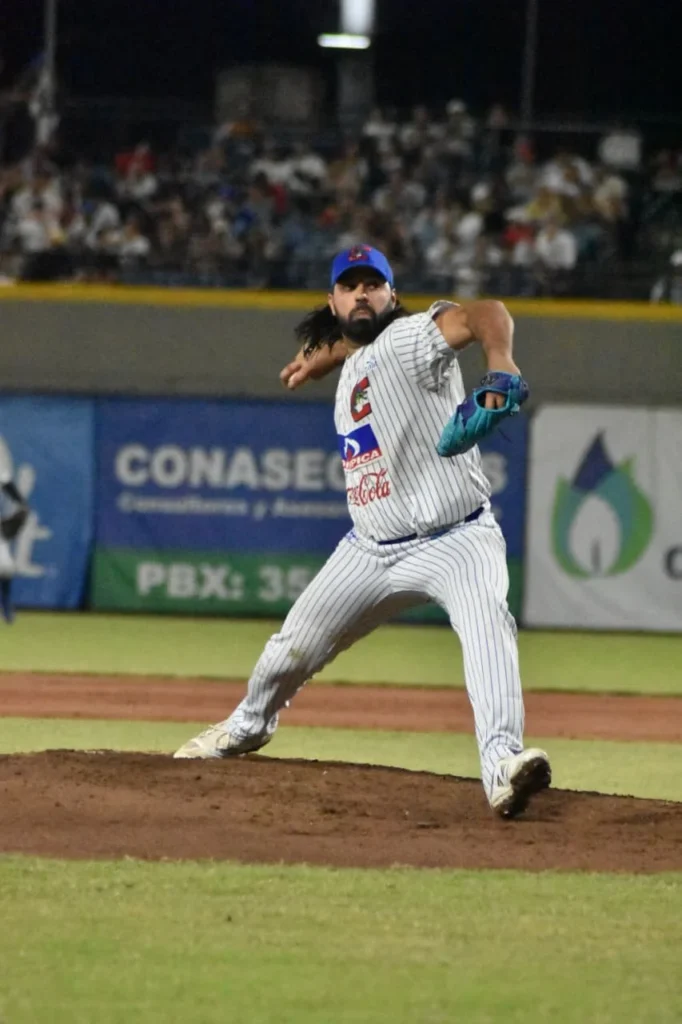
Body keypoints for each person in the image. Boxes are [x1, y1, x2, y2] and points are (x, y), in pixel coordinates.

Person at [175, 245, 551, 819]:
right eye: (349, 286)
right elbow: (356, 350)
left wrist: (500, 364)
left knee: (487, 631)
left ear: (391, 296)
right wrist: (325, 356)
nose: (362, 294)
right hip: (370, 549)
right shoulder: (352, 362)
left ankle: (502, 763)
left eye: (373, 285)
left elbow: (486, 312)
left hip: (458, 539)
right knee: (287, 653)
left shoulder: (411, 341)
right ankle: (246, 727)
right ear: (332, 300)